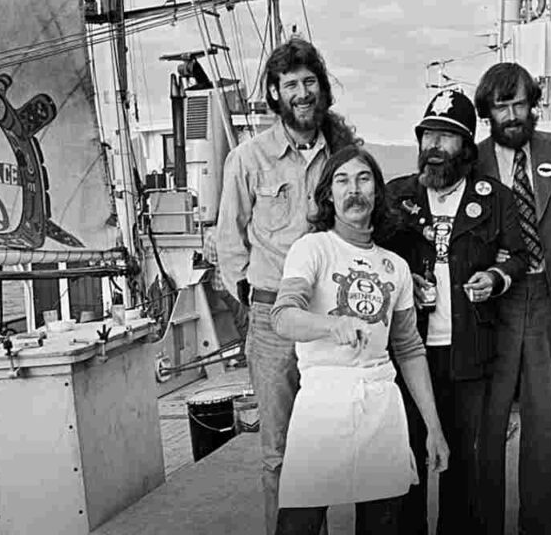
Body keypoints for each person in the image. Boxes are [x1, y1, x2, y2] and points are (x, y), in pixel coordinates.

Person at [215, 37, 360, 535]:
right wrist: (253, 305)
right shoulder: (248, 159)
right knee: (278, 451)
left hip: (329, 320)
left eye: (309, 82)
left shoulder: (343, 155)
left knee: (324, 446)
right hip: (272, 320)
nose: (302, 93)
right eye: (291, 84)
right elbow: (229, 241)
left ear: (322, 88)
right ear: (275, 93)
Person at [271, 146, 450, 535]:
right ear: (328, 195)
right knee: (298, 524)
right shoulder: (312, 248)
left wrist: (433, 428)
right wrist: (330, 325)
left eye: (363, 179)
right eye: (342, 180)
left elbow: (409, 348)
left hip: (380, 408)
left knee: (382, 523)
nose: (354, 189)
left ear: (377, 192)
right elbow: (283, 316)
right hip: (322, 405)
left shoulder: (396, 266)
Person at [383, 89, 529, 534]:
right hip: (407, 353)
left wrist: (495, 277)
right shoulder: (396, 196)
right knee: (407, 459)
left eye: (446, 137)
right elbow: (372, 256)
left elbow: (518, 256)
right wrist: (403, 280)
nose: (434, 147)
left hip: (469, 352)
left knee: (462, 465)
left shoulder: (494, 198)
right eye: (428, 135)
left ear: (466, 146)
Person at [472, 62, 551, 535]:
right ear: (487, 112)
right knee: (489, 424)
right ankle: (485, 524)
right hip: (495, 300)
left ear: (533, 104)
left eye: (519, 103)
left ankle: (543, 525)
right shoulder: (474, 159)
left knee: (543, 421)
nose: (511, 115)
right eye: (500, 106)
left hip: (545, 294)